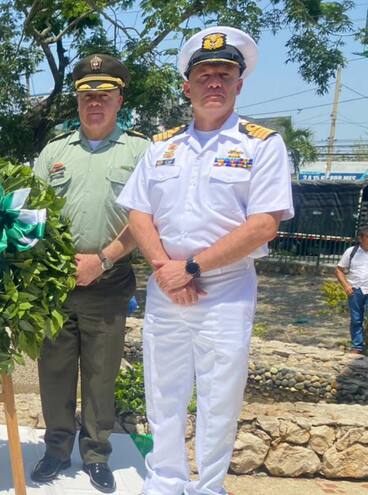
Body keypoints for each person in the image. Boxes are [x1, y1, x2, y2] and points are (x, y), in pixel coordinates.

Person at [116, 27, 294, 494]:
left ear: (239, 84)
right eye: (204, 74)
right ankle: (165, 480)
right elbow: (137, 211)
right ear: (186, 86)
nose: (214, 82)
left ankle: (210, 486)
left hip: (226, 288)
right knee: (163, 390)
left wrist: (191, 267)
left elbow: (264, 224)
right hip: (165, 283)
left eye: (225, 74)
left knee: (219, 395)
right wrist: (164, 269)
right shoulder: (161, 145)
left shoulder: (262, 144)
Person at [30, 54, 148, 493]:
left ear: (120, 99)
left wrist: (104, 259)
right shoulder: (54, 152)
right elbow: (30, 215)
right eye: (86, 96)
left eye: (104, 95)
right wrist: (57, 262)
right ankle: (57, 450)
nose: (94, 103)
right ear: (77, 102)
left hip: (110, 277)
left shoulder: (141, 151)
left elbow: (148, 218)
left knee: (101, 374)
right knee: (54, 371)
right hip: (57, 281)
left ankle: (96, 454)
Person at [335, 226, 368, 355]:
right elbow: (339, 270)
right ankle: (357, 347)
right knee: (356, 319)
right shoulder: (351, 252)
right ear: (361, 238)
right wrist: (346, 286)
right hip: (356, 291)